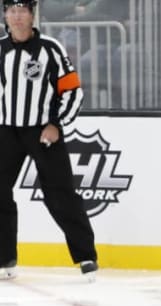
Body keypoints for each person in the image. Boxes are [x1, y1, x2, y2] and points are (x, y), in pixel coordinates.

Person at [0, 0, 98, 281]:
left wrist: (56, 124)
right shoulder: (0, 49)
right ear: (6, 15)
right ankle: (4, 257)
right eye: (12, 11)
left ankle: (86, 256)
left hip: (42, 131)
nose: (17, 17)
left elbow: (72, 91)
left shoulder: (50, 49)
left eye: (22, 11)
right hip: (6, 130)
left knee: (60, 194)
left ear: (32, 15)